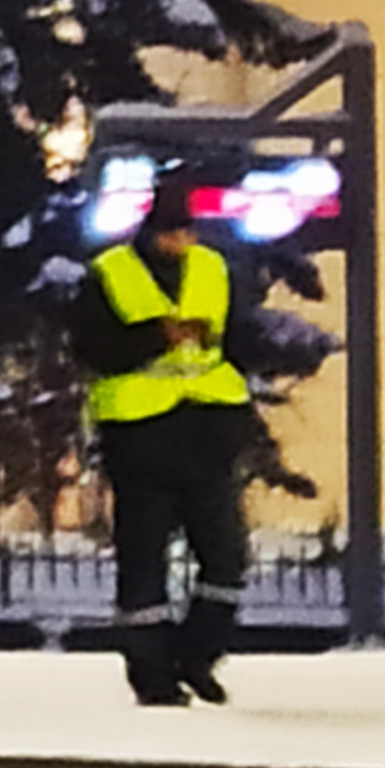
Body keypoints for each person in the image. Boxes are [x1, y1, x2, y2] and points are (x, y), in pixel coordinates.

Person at [76, 168, 257, 707]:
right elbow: (93, 348)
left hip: (205, 433)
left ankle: (198, 655)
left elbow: (237, 342)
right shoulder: (111, 273)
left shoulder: (212, 269)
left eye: (187, 231)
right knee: (143, 562)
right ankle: (153, 675)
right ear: (152, 232)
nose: (182, 242)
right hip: (141, 439)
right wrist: (157, 337)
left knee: (226, 556)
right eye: (173, 232)